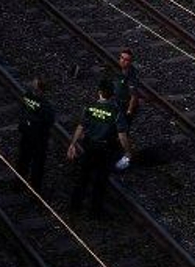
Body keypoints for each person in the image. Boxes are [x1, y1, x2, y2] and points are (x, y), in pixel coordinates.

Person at [67, 79, 128, 218]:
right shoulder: (116, 112)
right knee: (100, 181)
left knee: (83, 177)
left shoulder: (89, 107)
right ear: (112, 94)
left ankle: (75, 206)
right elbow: (122, 135)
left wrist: (73, 143)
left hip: (89, 147)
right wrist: (128, 151)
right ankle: (95, 210)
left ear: (99, 92)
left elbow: (81, 126)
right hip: (104, 150)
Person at [17, 77, 55, 193]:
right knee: (38, 163)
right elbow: (49, 121)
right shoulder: (46, 105)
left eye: (34, 83)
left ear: (38, 88)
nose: (32, 83)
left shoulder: (27, 96)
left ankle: (18, 184)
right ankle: (35, 187)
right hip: (39, 138)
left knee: (23, 159)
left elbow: (23, 108)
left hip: (26, 133)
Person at [112, 48, 141, 170]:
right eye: (122, 58)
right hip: (117, 105)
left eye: (126, 59)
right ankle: (120, 151)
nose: (123, 61)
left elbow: (134, 96)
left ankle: (128, 156)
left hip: (125, 107)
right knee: (118, 131)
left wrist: (129, 111)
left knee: (122, 132)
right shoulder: (120, 71)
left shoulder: (131, 75)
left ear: (130, 61)